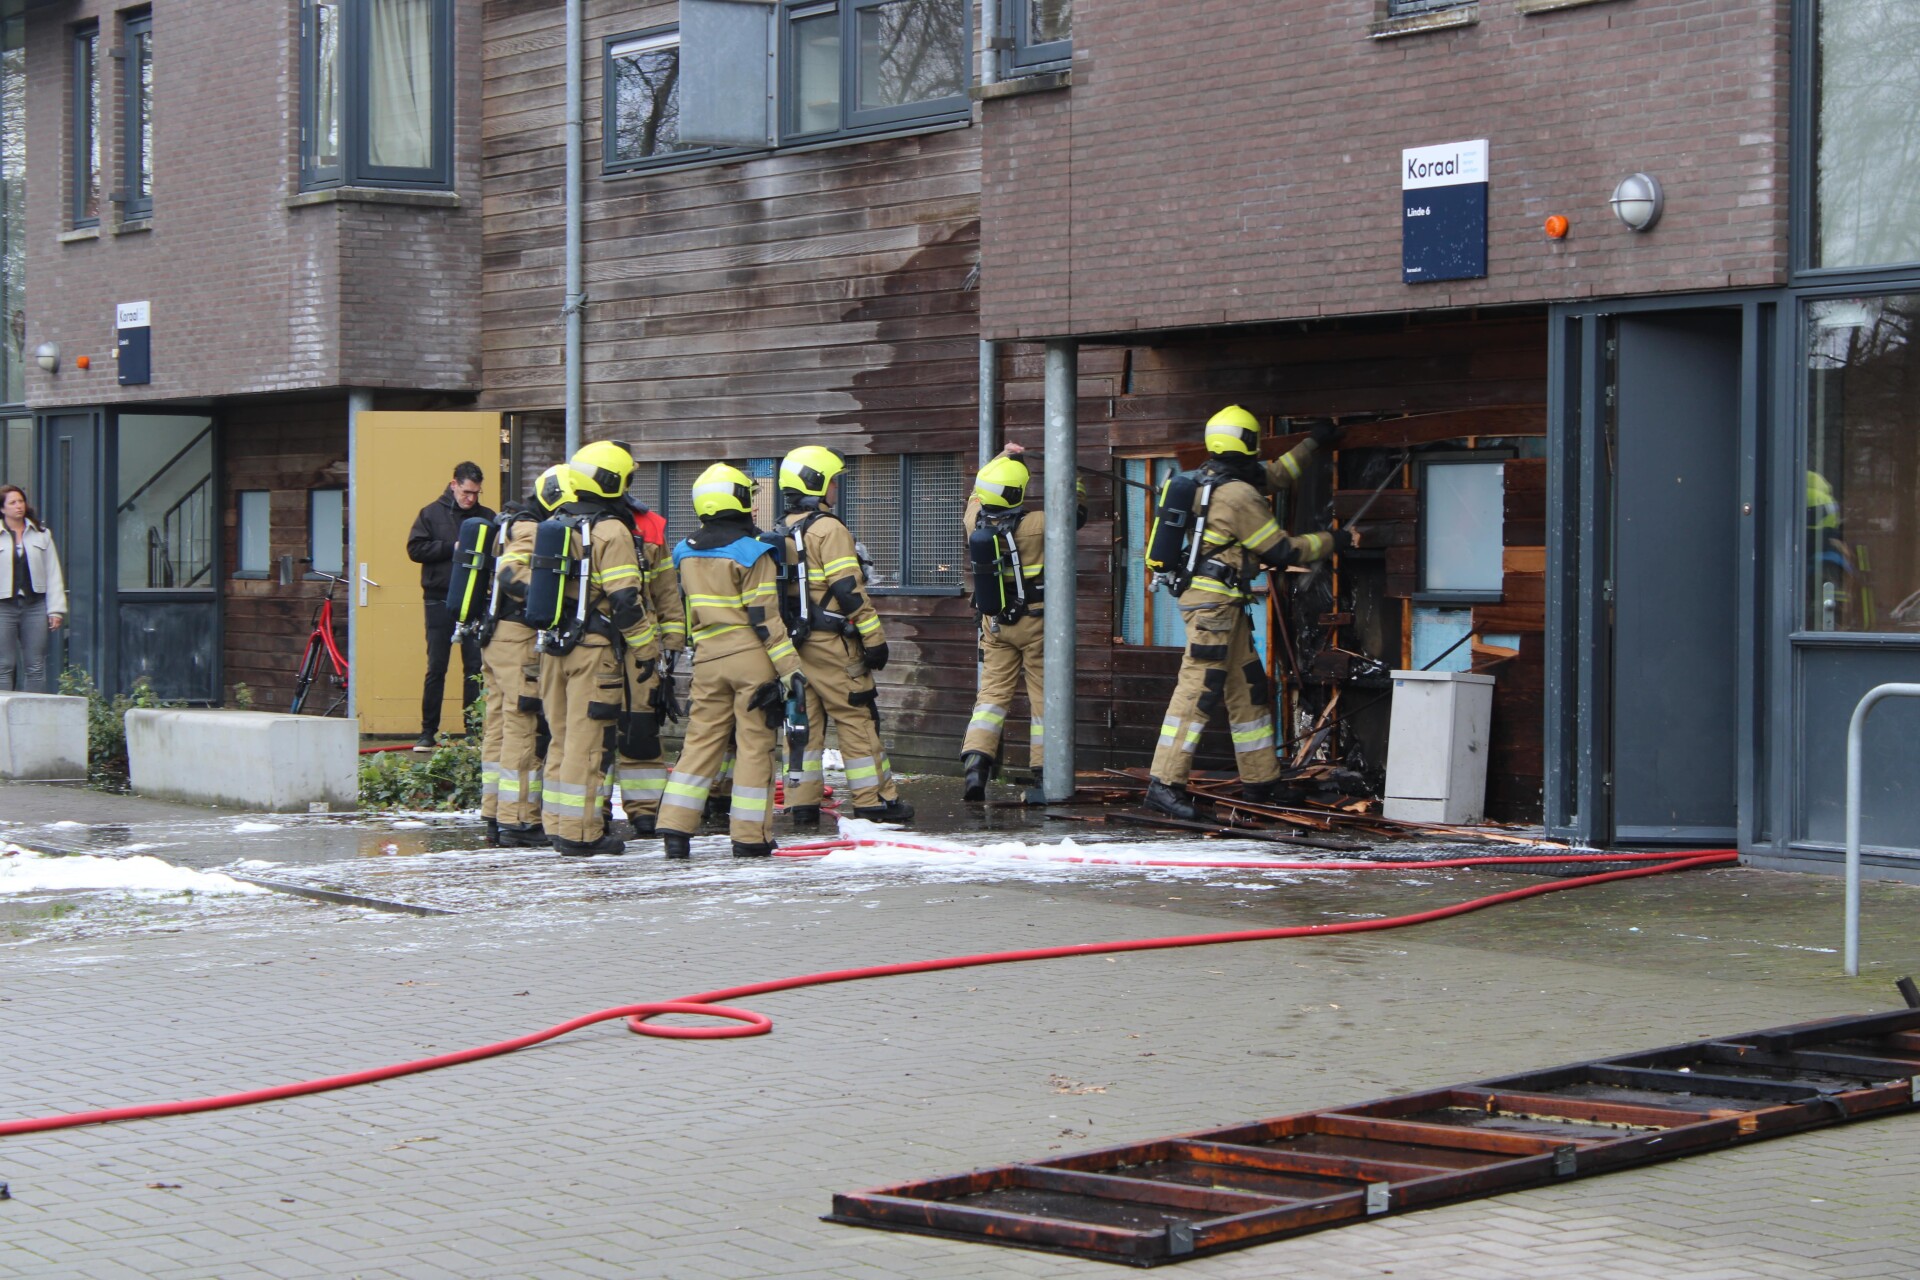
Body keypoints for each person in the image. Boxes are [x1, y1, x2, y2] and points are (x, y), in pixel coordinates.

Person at [1142, 406, 1352, 820]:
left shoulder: (1213, 478)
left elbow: (1276, 474)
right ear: (1248, 442)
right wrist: (1335, 540)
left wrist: (1313, 441)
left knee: (1249, 688)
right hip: (1213, 607)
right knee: (1197, 694)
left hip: (1222, 603)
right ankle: (1163, 785)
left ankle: (1261, 780)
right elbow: (1280, 550)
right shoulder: (1237, 494)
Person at [656, 463, 804, 859]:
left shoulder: (684, 551)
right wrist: (791, 670)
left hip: (706, 659)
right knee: (755, 745)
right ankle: (750, 836)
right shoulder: (755, 552)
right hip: (751, 660)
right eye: (748, 498)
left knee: (700, 744)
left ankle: (674, 827)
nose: (753, 506)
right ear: (734, 500)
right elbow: (766, 619)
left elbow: (685, 610)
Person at [770, 446, 913, 825]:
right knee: (857, 717)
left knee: (804, 723)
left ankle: (802, 804)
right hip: (834, 645)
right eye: (832, 481)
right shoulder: (828, 528)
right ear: (817, 484)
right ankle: (875, 801)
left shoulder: (780, 530)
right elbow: (849, 590)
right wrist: (874, 638)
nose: (836, 488)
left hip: (795, 645)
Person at [537, 441, 658, 857]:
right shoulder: (611, 531)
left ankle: (556, 824)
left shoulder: (558, 523)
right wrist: (647, 649)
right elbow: (625, 599)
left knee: (561, 739)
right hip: (595, 651)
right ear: (612, 481)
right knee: (587, 746)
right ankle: (581, 834)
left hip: (555, 647)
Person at [959, 445, 1083, 801]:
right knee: (1044, 699)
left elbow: (976, 493)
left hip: (994, 624)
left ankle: (976, 767)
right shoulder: (1040, 524)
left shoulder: (974, 522)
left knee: (991, 696)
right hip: (1036, 623)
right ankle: (1046, 775)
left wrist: (1002, 457)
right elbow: (1076, 511)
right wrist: (1069, 469)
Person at [476, 465, 575, 848]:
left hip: (495, 636)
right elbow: (510, 572)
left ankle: (494, 811)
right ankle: (518, 820)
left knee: (498, 726)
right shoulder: (532, 529)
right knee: (522, 727)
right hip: (518, 640)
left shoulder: (509, 522)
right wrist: (554, 597)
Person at [610, 489, 686, 838]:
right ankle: (589, 810)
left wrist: (671, 644)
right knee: (591, 730)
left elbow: (667, 591)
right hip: (593, 640)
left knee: (641, 726)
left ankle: (645, 810)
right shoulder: (576, 522)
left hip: (642, 646)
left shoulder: (650, 525)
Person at [407, 461, 495, 751]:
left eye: (476, 493)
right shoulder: (430, 513)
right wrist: (452, 548)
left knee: (474, 667)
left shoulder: (486, 517)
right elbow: (415, 549)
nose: (471, 499)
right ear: (453, 484)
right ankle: (427, 733)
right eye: (467, 492)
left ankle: (473, 732)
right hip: (438, 597)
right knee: (437, 667)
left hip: (475, 600)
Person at [0, 485, 66, 693]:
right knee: (4, 665)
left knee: (36, 665)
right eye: (12, 503)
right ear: (2, 509)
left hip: (34, 605)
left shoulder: (41, 534)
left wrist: (55, 609)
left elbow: (53, 572)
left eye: (21, 501)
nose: (19, 506)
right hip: (3, 607)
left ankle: (32, 717)